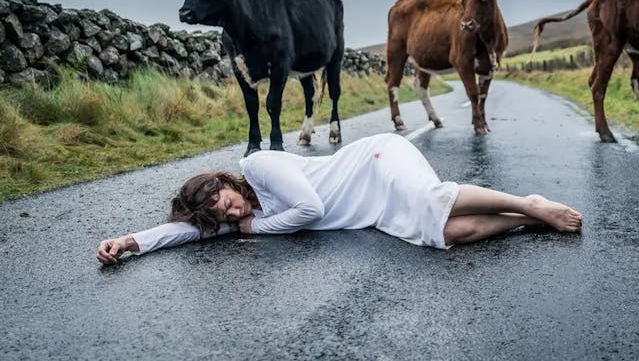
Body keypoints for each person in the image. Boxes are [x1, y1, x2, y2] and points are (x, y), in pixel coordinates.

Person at [97, 133, 582, 264]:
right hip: (369, 210)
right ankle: (526, 220)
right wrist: (130, 241)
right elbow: (182, 232)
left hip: (374, 161)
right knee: (446, 235)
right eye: (221, 216)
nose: (232, 213)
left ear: (226, 184)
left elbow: (311, 209)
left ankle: (530, 201)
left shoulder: (259, 167)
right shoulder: (220, 217)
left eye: (226, 203)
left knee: (432, 199)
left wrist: (255, 228)